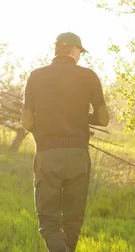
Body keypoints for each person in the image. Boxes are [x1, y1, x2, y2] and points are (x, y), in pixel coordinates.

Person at [21, 32, 110, 252]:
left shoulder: (36, 76)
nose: (80, 56)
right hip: (78, 157)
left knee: (49, 222)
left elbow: (27, 121)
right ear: (73, 50)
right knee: (72, 221)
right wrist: (81, 118)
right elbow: (104, 119)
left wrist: (43, 127)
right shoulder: (89, 76)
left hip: (48, 155)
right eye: (80, 51)